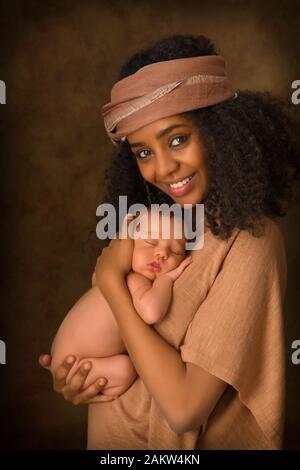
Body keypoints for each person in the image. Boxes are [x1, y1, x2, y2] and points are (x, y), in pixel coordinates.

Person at [39, 34, 300, 450]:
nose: (162, 168)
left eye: (178, 139)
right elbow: (112, 339)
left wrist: (110, 279)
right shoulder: (156, 228)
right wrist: (79, 377)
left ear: (218, 131)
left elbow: (184, 409)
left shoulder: (251, 242)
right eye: (143, 153)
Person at [50, 207, 192, 397]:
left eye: (175, 251)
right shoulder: (133, 280)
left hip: (66, 358)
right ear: (126, 243)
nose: (162, 253)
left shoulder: (105, 277)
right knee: (126, 369)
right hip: (73, 364)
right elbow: (151, 312)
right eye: (150, 241)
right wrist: (166, 280)